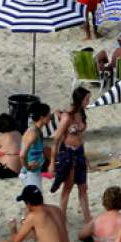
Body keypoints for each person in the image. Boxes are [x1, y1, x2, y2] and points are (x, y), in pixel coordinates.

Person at [50, 87, 92, 224]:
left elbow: (79, 136)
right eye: (86, 99)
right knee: (68, 186)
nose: (88, 102)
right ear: (80, 99)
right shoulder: (68, 116)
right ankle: (62, 217)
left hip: (79, 151)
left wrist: (84, 156)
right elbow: (56, 139)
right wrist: (52, 162)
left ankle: (88, 219)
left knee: (83, 187)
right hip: (68, 153)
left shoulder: (81, 113)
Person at [19, 101, 51, 190]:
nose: (50, 117)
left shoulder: (38, 131)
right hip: (30, 174)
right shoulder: (32, 133)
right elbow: (22, 155)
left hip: (35, 172)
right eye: (48, 115)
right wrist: (27, 167)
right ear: (42, 117)